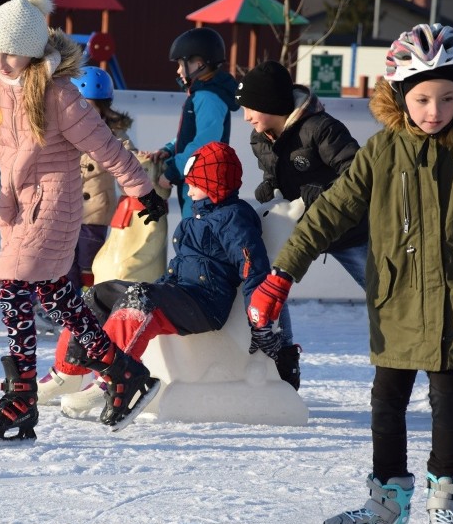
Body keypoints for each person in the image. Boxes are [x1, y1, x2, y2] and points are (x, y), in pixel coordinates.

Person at [247, 23, 453, 524]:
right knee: (386, 402)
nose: (435, 112)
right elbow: (328, 214)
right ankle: (387, 503)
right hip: (399, 301)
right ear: (402, 96)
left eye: (447, 98)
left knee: (449, 401)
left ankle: (444, 502)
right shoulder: (383, 152)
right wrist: (281, 275)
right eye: (423, 99)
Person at [0, 0, 167, 443]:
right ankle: (125, 374)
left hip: (55, 207)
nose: (1, 62)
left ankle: (22, 395)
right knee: (61, 300)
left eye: (12, 54)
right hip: (18, 208)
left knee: (12, 287)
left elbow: (106, 146)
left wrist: (142, 190)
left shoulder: (60, 95)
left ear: (32, 52)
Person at [39, 141, 283, 413]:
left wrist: (260, 321)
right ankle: (68, 370)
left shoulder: (234, 218)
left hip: (206, 305)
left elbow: (254, 269)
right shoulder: (197, 218)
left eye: (194, 184)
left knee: (138, 299)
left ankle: (113, 376)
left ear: (214, 184)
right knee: (100, 293)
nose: (188, 191)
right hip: (182, 294)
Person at [236, 60, 370, 388]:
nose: (246, 117)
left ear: (271, 104)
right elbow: (276, 168)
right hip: (303, 230)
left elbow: (358, 172)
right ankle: (283, 354)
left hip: (348, 228)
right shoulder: (260, 139)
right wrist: (270, 183)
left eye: (251, 108)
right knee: (268, 281)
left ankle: (417, 351)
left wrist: (324, 191)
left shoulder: (321, 128)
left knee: (386, 292)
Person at [146, 27, 240, 218]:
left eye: (181, 64)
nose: (178, 70)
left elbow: (203, 144)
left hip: (202, 183)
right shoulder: (202, 94)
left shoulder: (208, 98)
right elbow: (193, 135)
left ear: (198, 64)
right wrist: (170, 149)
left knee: (195, 237)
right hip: (195, 179)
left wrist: (172, 172)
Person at [66, 65, 138, 292]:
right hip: (66, 212)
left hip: (95, 214)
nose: (85, 113)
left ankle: (89, 302)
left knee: (89, 262)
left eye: (91, 108)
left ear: (104, 109)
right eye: (81, 107)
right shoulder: (64, 131)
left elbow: (129, 157)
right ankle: (66, 305)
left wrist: (142, 162)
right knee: (65, 264)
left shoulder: (113, 135)